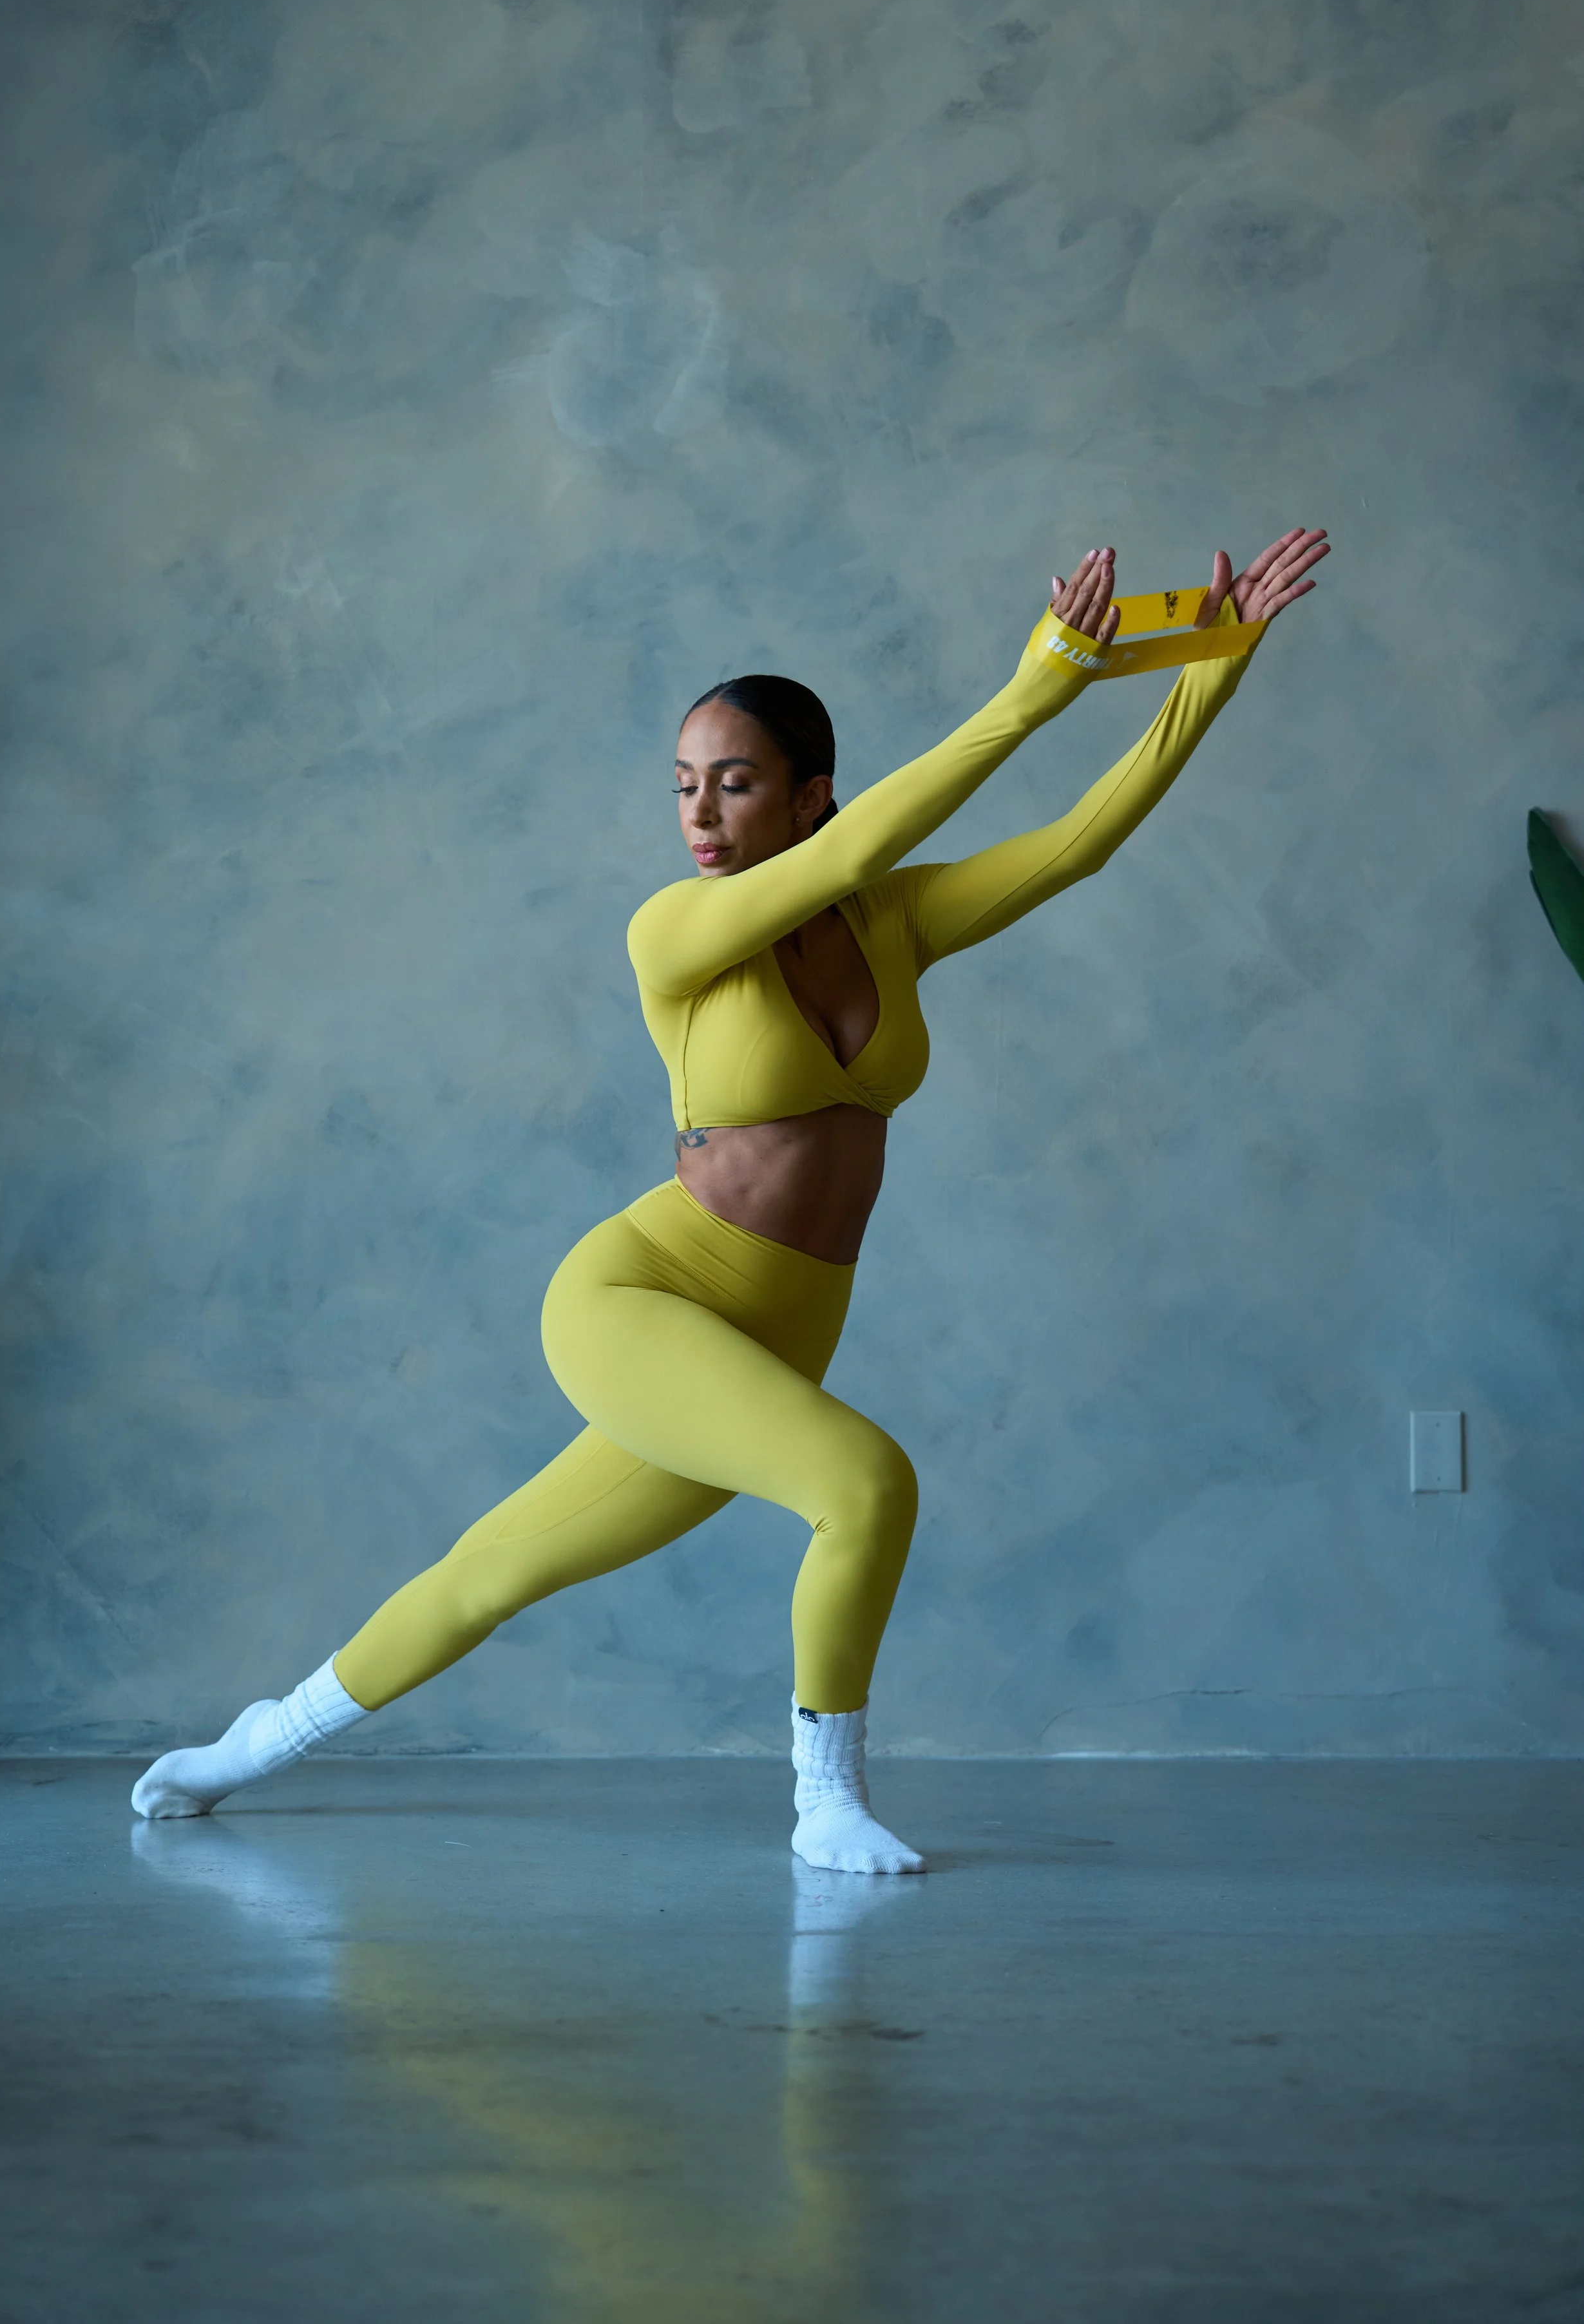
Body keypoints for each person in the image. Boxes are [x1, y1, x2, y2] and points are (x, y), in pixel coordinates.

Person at [132, 529, 1329, 1871]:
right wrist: (1032, 689)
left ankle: (251, 1743)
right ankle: (824, 1801)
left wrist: (1210, 665)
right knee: (864, 1484)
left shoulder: (891, 920)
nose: (699, 817)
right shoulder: (673, 933)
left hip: (783, 1323)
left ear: (809, 792)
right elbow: (840, 855)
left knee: (495, 1568)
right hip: (646, 1295)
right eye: (685, 787)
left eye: (736, 785)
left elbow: (1073, 847)